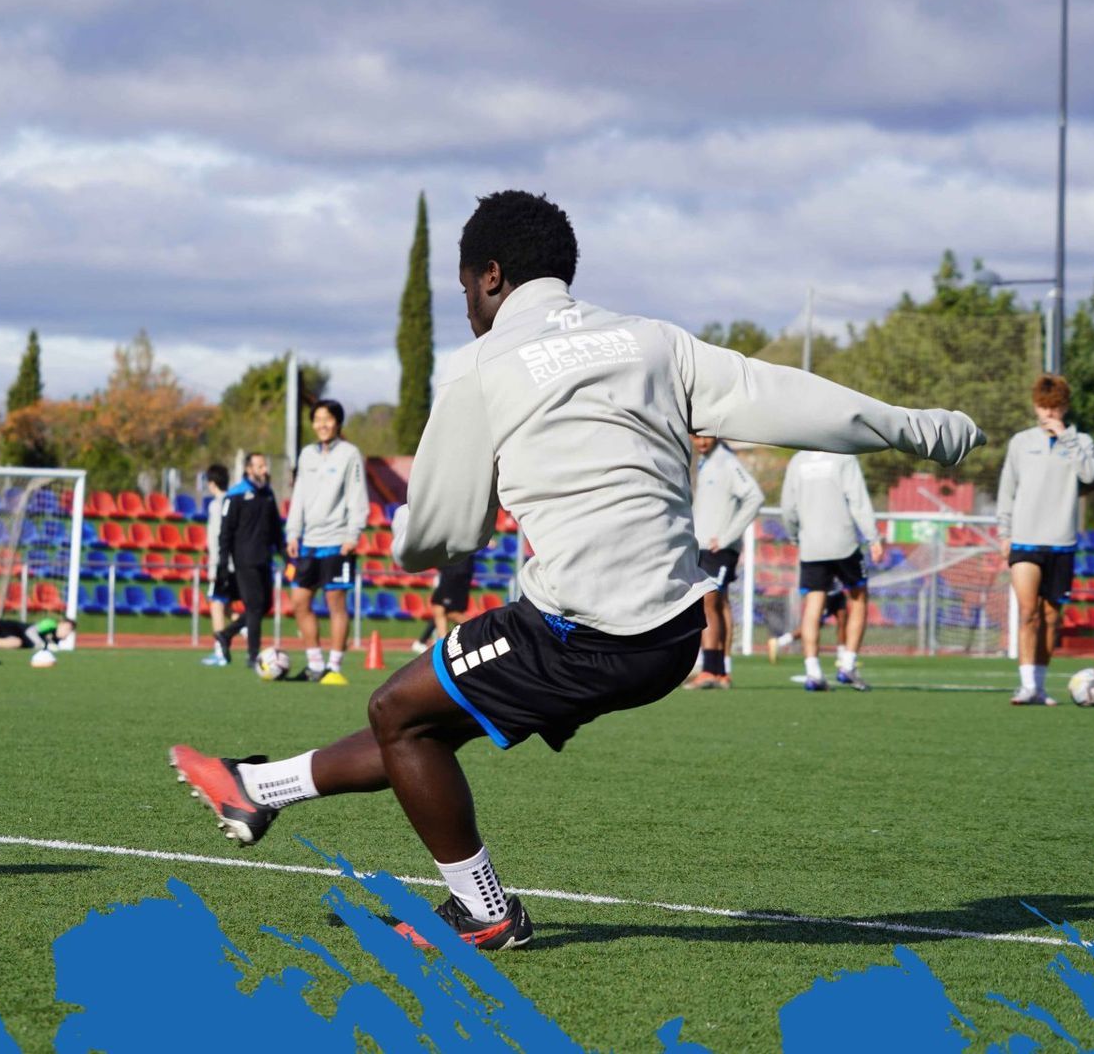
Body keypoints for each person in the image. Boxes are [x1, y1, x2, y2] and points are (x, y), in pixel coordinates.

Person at [168, 190, 982, 950]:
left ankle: (485, 913)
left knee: (398, 712)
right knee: (428, 722)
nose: (465, 309)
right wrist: (919, 429)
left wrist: (410, 537)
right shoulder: (654, 340)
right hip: (671, 635)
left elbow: (440, 534)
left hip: (578, 630)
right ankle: (258, 788)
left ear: (492, 276)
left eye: (464, 291)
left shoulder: (484, 370)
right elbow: (795, 399)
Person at [998, 374, 1094, 706]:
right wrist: (1005, 532)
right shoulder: (1020, 441)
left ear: (1065, 407)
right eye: (1043, 407)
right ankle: (1026, 685)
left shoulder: (1082, 441)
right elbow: (1007, 489)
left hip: (1062, 541)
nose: (1048, 414)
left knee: (1052, 616)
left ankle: (1040, 686)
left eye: (1054, 407)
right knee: (1029, 611)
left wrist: (1067, 439)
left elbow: (1089, 475)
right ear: (1035, 406)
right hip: (1025, 539)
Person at [780, 450, 884, 691]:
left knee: (813, 606)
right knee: (858, 599)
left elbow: (788, 507)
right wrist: (873, 537)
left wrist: (795, 535)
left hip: (811, 546)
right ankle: (847, 665)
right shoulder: (844, 456)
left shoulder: (797, 460)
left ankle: (813, 672)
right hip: (844, 543)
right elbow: (857, 500)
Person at [285, 400, 367, 685]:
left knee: (335, 603)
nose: (322, 424)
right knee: (299, 601)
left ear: (338, 423)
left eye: (327, 419)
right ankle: (314, 664)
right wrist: (292, 533)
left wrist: (352, 535)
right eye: (317, 419)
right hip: (307, 542)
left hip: (337, 541)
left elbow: (358, 496)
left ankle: (334, 666)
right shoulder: (306, 454)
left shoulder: (350, 454)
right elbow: (298, 497)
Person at [684, 434, 764, 689]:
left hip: (718, 549)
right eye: (695, 436)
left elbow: (754, 496)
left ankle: (708, 669)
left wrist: (728, 536)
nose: (701, 441)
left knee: (708, 602)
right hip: (705, 547)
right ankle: (721, 670)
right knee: (721, 605)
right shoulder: (705, 462)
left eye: (705, 435)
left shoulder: (727, 462)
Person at [215, 452, 281, 670]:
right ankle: (253, 656)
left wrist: (286, 554)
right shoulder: (236, 495)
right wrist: (223, 563)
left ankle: (226, 634)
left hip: (265, 559)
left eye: (265, 465)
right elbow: (225, 533)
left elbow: (275, 530)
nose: (264, 470)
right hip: (244, 560)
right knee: (253, 607)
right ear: (248, 469)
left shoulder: (268, 494)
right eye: (260, 466)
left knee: (265, 606)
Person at [199, 464, 237, 666]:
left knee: (216, 604)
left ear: (212, 483)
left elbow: (216, 538)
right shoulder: (234, 501)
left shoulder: (216, 505)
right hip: (235, 563)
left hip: (221, 564)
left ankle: (220, 651)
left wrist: (214, 566)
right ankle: (250, 635)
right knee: (228, 606)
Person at [412, 550, 479, 654]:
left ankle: (477, 630)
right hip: (455, 578)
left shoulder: (460, 544)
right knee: (445, 612)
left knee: (443, 611)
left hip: (454, 579)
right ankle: (443, 643)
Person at [766, 590, 847, 663]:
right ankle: (779, 642)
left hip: (838, 593)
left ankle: (842, 657)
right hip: (827, 593)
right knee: (813, 626)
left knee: (843, 622)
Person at [0, 612, 75, 650]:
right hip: (14, 627)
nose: (67, 632)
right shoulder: (50, 624)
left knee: (16, 643)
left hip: (18, 640)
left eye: (70, 631)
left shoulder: (55, 642)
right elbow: (30, 632)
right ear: (60, 624)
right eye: (67, 628)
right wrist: (41, 644)